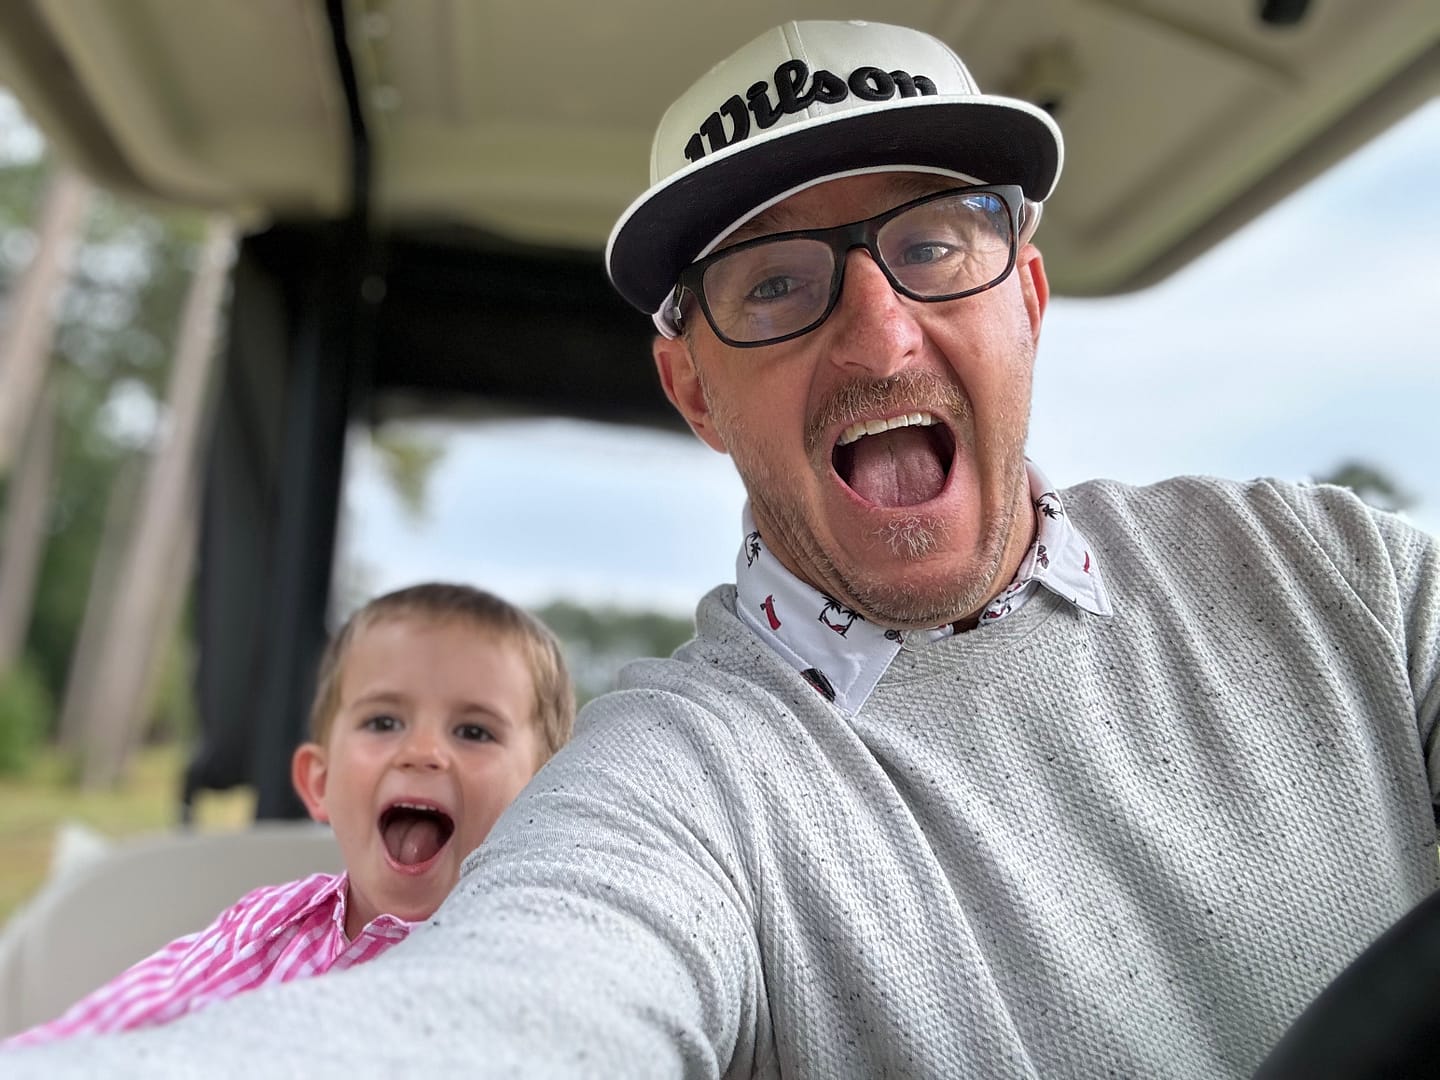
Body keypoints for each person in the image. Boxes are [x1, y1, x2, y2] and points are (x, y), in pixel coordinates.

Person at [6, 18, 1438, 1078]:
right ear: (692, 388)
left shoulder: (1329, 574)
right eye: (776, 283)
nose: (880, 332)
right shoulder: (677, 780)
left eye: (936, 242)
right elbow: (507, 1012)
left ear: (1031, 299)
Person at [3, 582, 574, 1047]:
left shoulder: (539, 973)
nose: (421, 751)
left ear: (542, 800)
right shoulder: (264, 925)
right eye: (383, 722)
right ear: (319, 784)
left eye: (473, 731)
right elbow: (85, 1043)